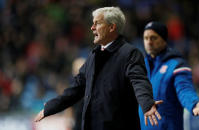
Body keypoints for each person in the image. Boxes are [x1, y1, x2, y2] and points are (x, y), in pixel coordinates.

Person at [34, 7, 163, 130]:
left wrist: (147, 103)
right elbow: (75, 89)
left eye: (97, 23)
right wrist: (51, 107)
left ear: (112, 27)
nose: (92, 27)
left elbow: (139, 81)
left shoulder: (130, 54)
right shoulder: (93, 56)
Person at [139, 21, 199, 130]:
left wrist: (194, 103)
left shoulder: (177, 65)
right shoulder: (141, 66)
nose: (149, 42)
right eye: (146, 38)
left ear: (164, 39)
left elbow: (184, 89)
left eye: (153, 38)